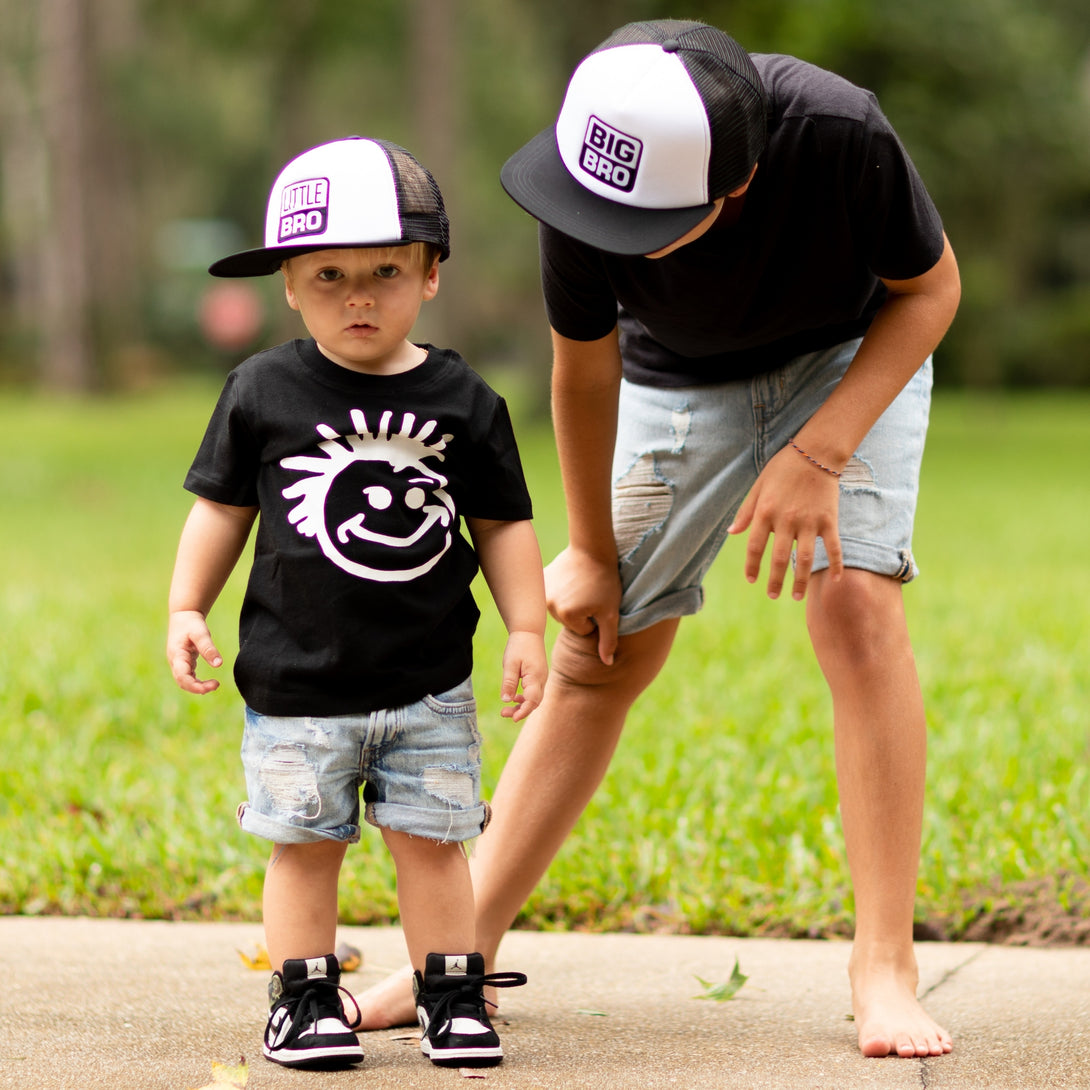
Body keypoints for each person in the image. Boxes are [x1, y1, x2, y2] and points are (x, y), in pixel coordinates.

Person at [354, 19, 961, 1060]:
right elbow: (584, 370)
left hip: (849, 356)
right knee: (600, 648)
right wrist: (591, 549)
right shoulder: (585, 171)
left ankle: (884, 965)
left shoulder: (837, 131)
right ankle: (456, 952)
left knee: (857, 606)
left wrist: (819, 454)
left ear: (736, 187)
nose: (598, 230)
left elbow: (931, 290)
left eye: (637, 224)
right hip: (676, 380)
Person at [166, 136, 547, 1070]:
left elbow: (502, 523)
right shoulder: (262, 389)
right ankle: (304, 1002)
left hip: (429, 687)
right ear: (291, 286)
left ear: (431, 275)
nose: (359, 296)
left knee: (434, 844)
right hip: (297, 687)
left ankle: (450, 995)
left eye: (386, 272)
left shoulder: (465, 399)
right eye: (330, 275)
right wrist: (186, 607)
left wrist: (527, 626)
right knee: (305, 847)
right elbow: (220, 510)